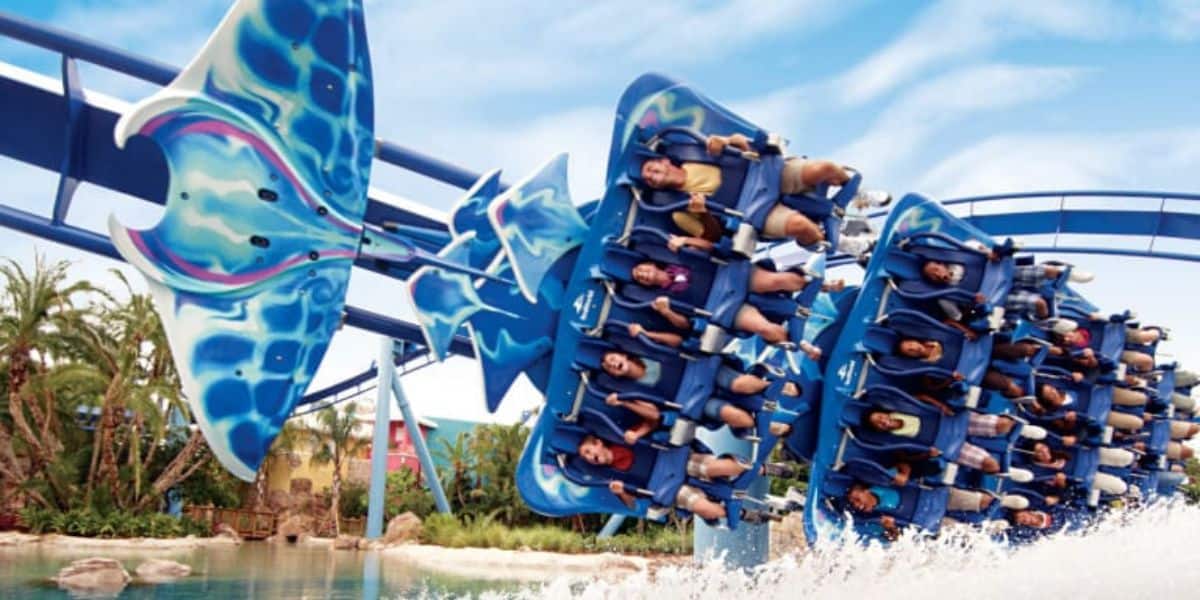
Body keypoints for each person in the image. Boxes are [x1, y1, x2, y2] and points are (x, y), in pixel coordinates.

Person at [638, 132, 890, 247]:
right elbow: (712, 238)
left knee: (823, 168)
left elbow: (741, 142)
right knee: (800, 227)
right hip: (753, 212)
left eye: (651, 168)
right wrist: (703, 213)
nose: (651, 175)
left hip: (769, 175)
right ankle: (842, 242)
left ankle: (856, 193)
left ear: (665, 161)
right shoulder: (677, 210)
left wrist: (725, 141)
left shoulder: (694, 154)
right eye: (648, 179)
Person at [643, 298, 822, 359]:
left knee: (767, 328)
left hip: (733, 304)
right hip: (726, 310)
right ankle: (802, 345)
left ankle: (802, 345)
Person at [861, 407, 1015, 474]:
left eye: (880, 417)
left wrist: (943, 407)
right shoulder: (893, 439)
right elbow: (906, 457)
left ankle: (1024, 430)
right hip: (943, 445)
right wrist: (928, 454)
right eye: (878, 424)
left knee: (1004, 424)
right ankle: (1009, 471)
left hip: (948, 421)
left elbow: (921, 398)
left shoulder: (899, 408)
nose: (883, 421)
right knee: (991, 465)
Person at [604, 391, 790, 444]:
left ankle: (786, 388)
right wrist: (625, 403)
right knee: (727, 413)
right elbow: (654, 417)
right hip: (693, 408)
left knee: (739, 387)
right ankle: (770, 425)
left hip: (697, 386)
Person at [600, 350, 799, 397]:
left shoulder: (647, 352)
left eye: (613, 359)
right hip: (691, 396)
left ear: (624, 355)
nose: (614, 364)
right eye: (609, 367)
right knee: (734, 416)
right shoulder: (633, 390)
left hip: (700, 370)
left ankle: (774, 386)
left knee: (737, 385)